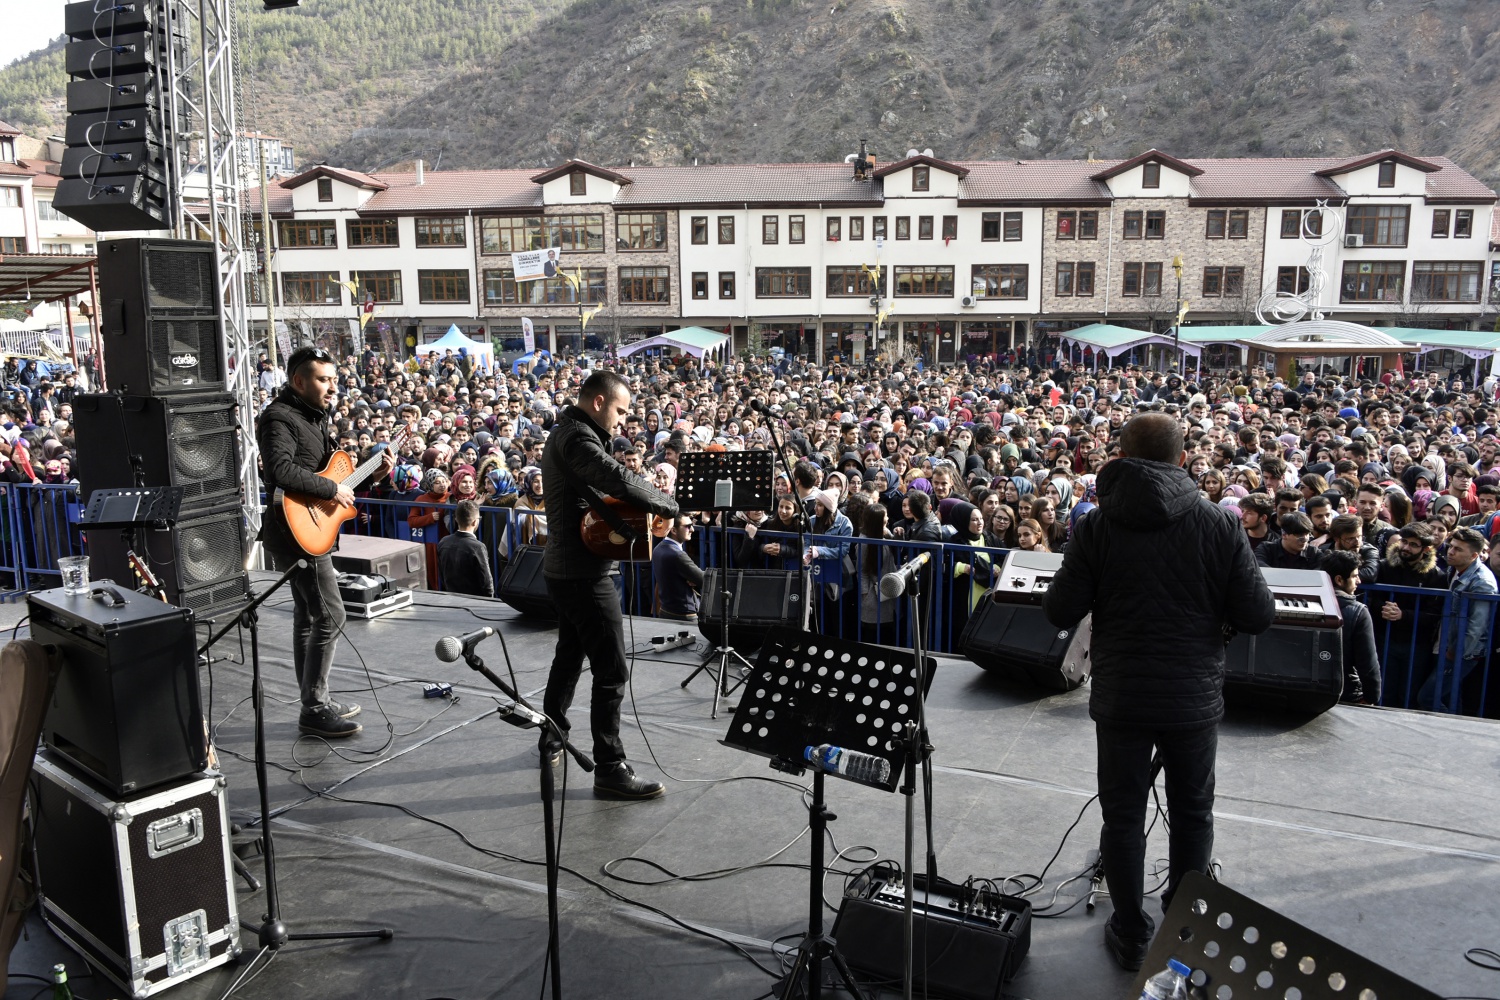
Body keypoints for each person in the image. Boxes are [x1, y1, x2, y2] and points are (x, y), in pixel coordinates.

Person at [1043, 412, 1274, 973]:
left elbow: (1059, 610)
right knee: (1193, 813)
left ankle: (1129, 933)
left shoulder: (1096, 525)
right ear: (1182, 458)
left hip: (1123, 694)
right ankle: (1183, 926)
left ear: (1121, 457)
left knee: (1122, 816)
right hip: (1192, 696)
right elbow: (1258, 614)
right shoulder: (1219, 524)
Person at [540, 370, 679, 800]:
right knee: (612, 670)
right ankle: (610, 767)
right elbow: (616, 477)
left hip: (565, 568)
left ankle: (552, 735)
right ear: (598, 402)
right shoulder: (578, 439)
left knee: (570, 655)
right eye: (620, 410)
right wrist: (668, 503)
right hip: (583, 573)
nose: (622, 420)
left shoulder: (567, 432)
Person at [256, 346, 392, 739]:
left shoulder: (315, 417)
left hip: (306, 529)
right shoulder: (279, 417)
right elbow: (280, 470)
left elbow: (333, 484)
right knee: (332, 615)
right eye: (323, 380)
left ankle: (314, 700)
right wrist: (332, 489)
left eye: (334, 379)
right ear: (298, 381)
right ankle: (315, 709)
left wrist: (371, 476)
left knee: (307, 617)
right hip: (295, 535)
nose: (333, 387)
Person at [1419, 526, 1496, 713]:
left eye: (1458, 549)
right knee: (1451, 698)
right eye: (1451, 546)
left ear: (1474, 555)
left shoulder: (1482, 581)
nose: (1451, 552)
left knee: (1428, 697)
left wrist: (1457, 651)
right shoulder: (1454, 570)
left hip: (1463, 652)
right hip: (1447, 645)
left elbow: (1477, 626)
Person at [1321, 550, 1380, 706]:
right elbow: (1368, 663)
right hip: (1346, 694)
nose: (1359, 581)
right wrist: (1371, 697)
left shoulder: (1304, 604)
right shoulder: (1359, 612)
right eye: (1354, 576)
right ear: (1339, 580)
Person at [437, 499, 494, 597]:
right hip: (474, 601)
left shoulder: (443, 542)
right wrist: (489, 599)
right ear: (475, 522)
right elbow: (486, 582)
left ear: (456, 519)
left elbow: (442, 575)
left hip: (451, 598)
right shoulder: (478, 547)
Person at [652, 515, 703, 621]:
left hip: (666, 610)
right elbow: (703, 579)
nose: (692, 530)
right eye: (688, 526)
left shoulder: (658, 548)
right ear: (674, 530)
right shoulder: (678, 555)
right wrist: (694, 579)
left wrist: (692, 578)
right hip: (684, 614)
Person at [1256, 513, 1324, 571]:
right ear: (1284, 534)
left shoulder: (1314, 553)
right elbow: (1258, 565)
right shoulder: (1266, 549)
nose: (1305, 539)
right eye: (1299, 535)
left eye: (1307, 534)